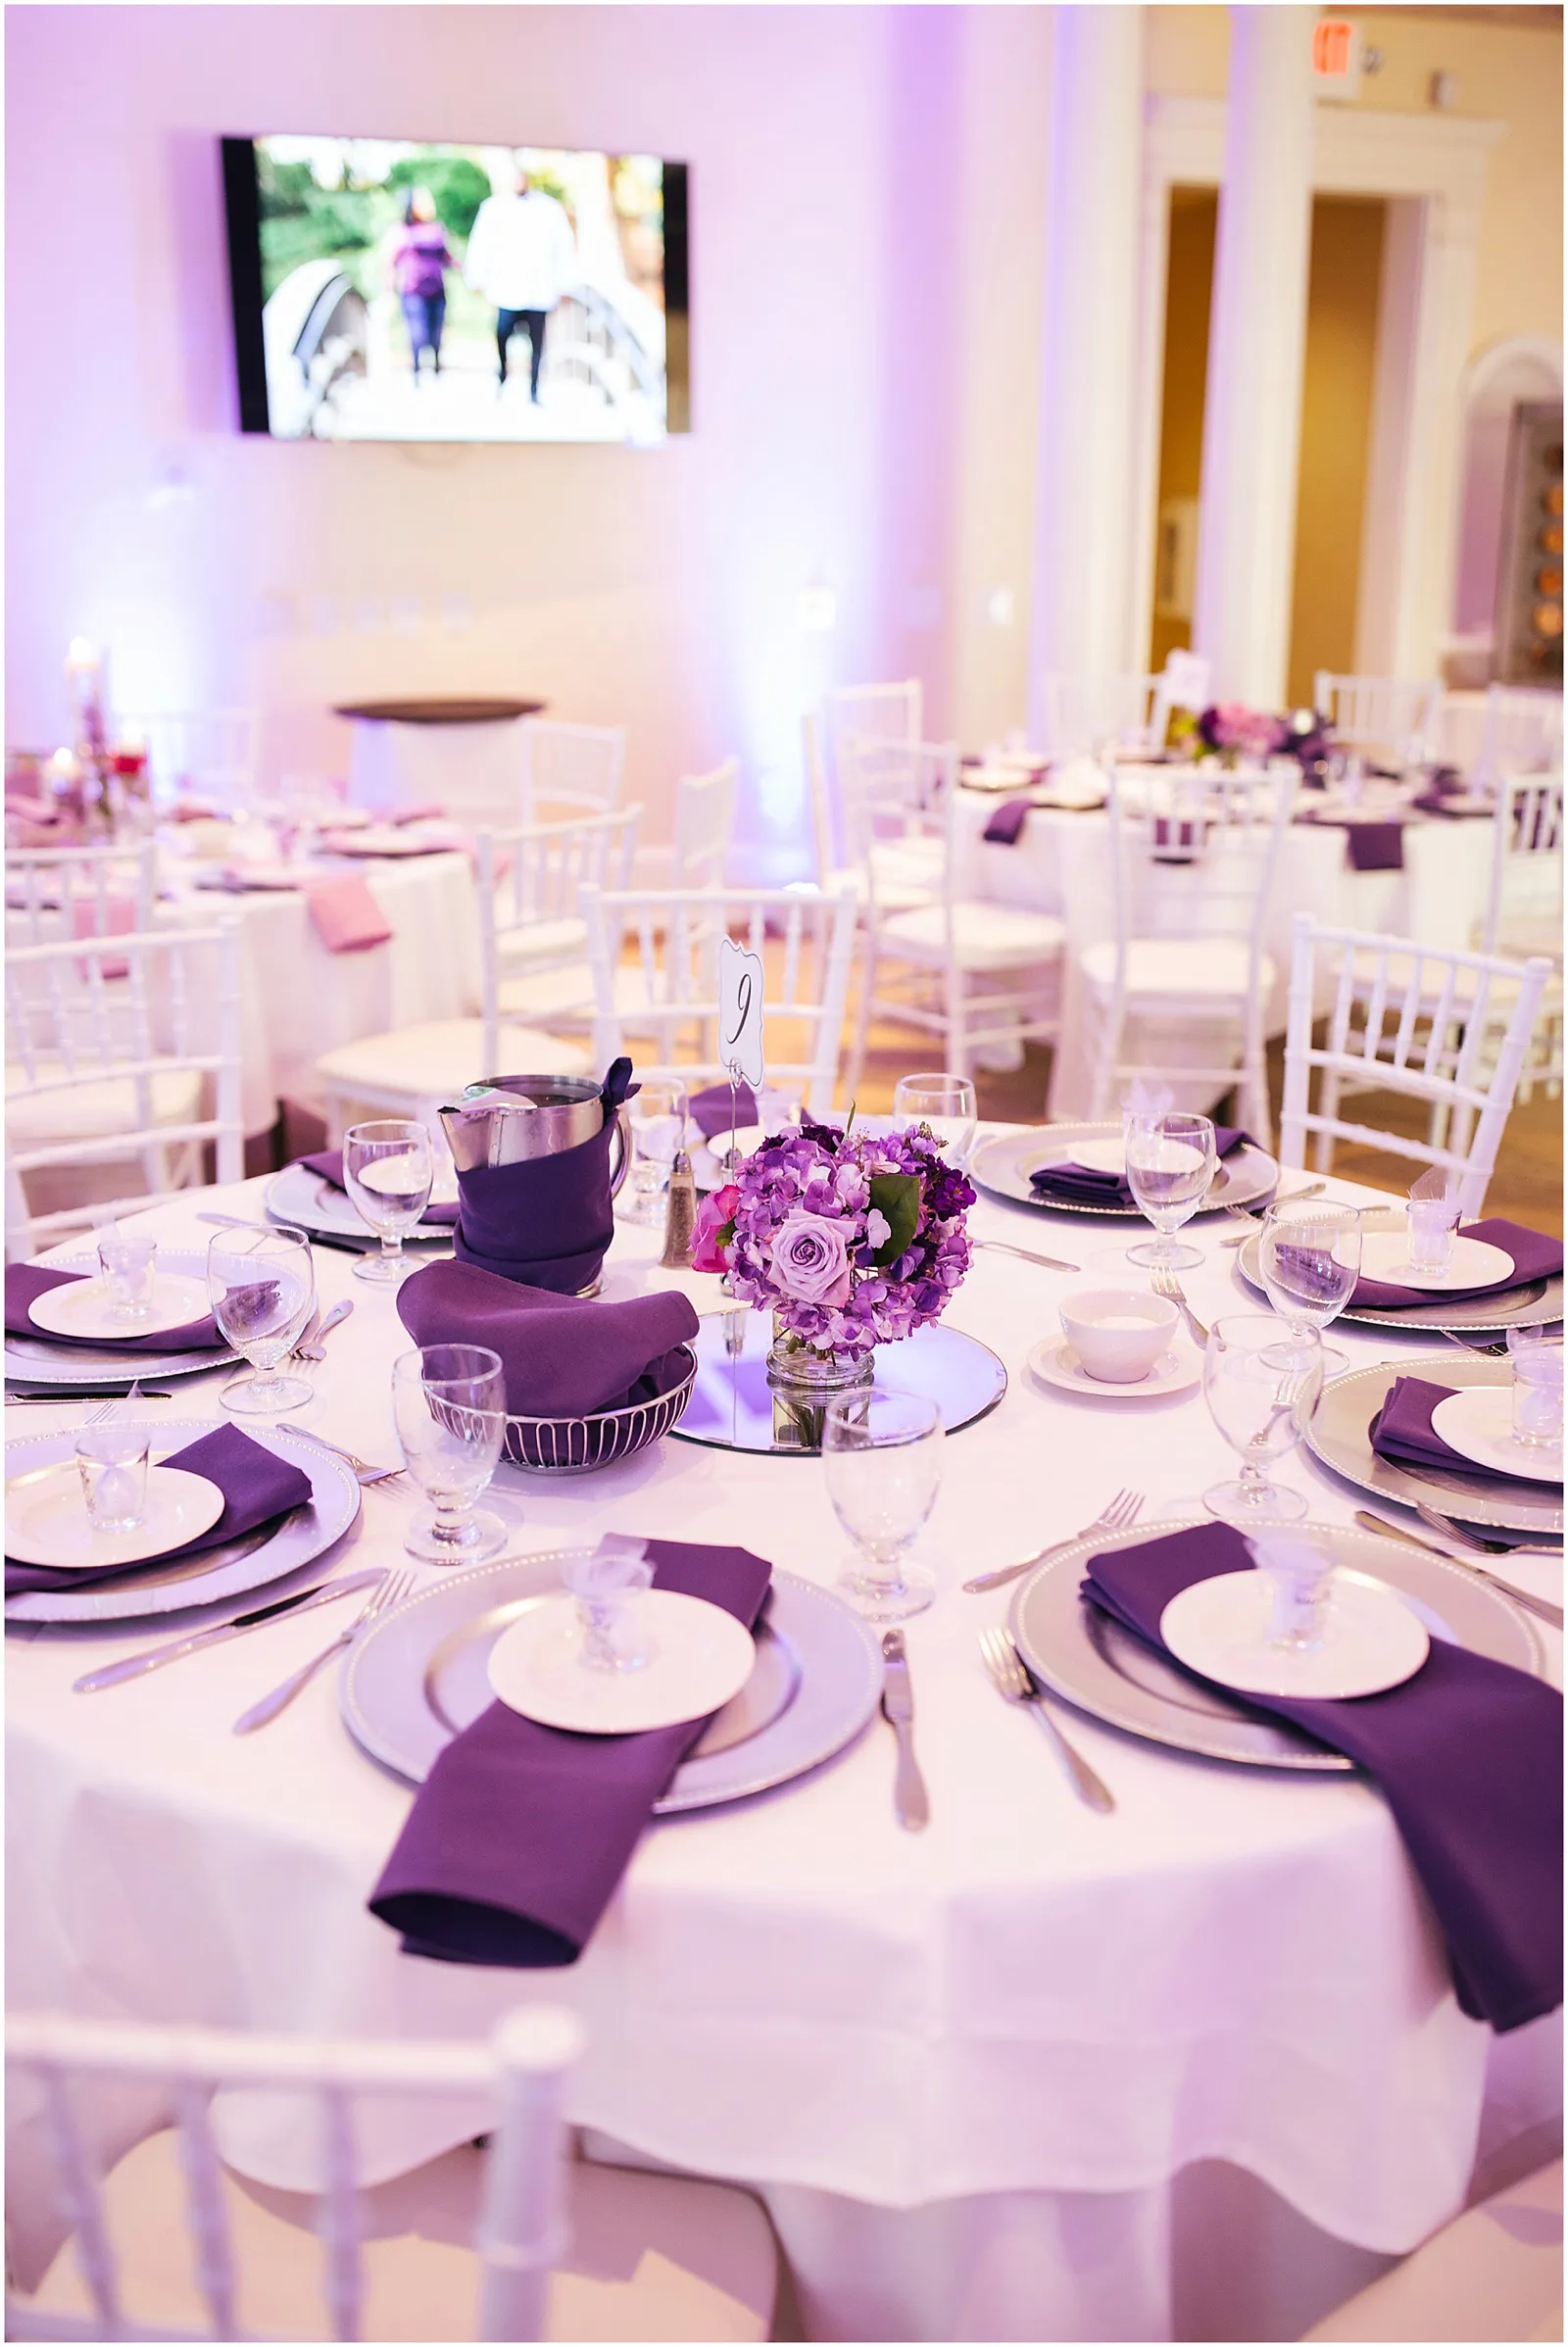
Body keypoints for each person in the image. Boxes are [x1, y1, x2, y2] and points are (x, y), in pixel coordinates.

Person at [464, 163, 576, 402]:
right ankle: (503, 375)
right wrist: (476, 277)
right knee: (502, 333)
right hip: (507, 286)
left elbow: (564, 248)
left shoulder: (549, 208)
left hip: (539, 287)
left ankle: (534, 388)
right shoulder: (493, 208)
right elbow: (480, 245)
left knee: (538, 341)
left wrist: (565, 284)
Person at [388, 186, 453, 382]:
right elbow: (392, 262)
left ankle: (436, 369)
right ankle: (416, 371)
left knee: (436, 334)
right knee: (417, 333)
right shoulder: (402, 230)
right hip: (413, 290)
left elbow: (446, 257)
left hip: (437, 289)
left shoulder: (436, 229)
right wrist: (389, 290)